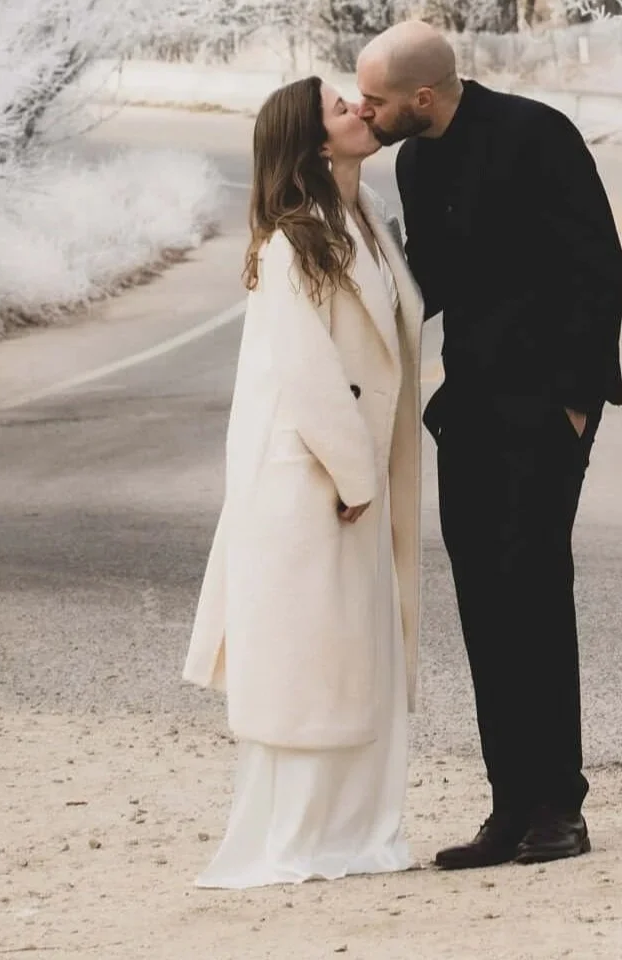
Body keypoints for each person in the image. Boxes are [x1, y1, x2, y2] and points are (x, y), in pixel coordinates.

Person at [354, 20, 622, 870]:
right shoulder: (414, 159)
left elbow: (599, 265)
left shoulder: (537, 135)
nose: (366, 110)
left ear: (421, 97)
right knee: (481, 602)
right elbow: (427, 282)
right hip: (469, 406)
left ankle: (561, 808)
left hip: (547, 409)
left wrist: (577, 404)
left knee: (535, 595)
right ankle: (508, 807)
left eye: (376, 99)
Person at [184, 76, 424, 886]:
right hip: (316, 483)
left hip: (354, 479)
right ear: (318, 143)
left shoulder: (367, 224)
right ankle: (304, 839)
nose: (361, 106)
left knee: (364, 658)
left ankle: (358, 833)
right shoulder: (295, 240)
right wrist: (356, 476)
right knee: (315, 667)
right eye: (339, 106)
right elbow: (306, 371)